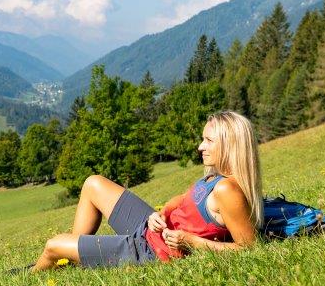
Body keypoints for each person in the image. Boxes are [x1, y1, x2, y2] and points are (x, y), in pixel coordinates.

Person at [29, 110, 263, 271]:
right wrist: (159, 214)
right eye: (203, 139)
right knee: (93, 184)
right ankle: (73, 259)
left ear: (229, 144)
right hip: (151, 229)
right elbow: (182, 200)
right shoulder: (214, 176)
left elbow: (248, 248)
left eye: (209, 141)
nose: (201, 147)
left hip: (150, 251)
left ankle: (30, 282)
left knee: (53, 246)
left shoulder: (227, 190)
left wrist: (191, 242)